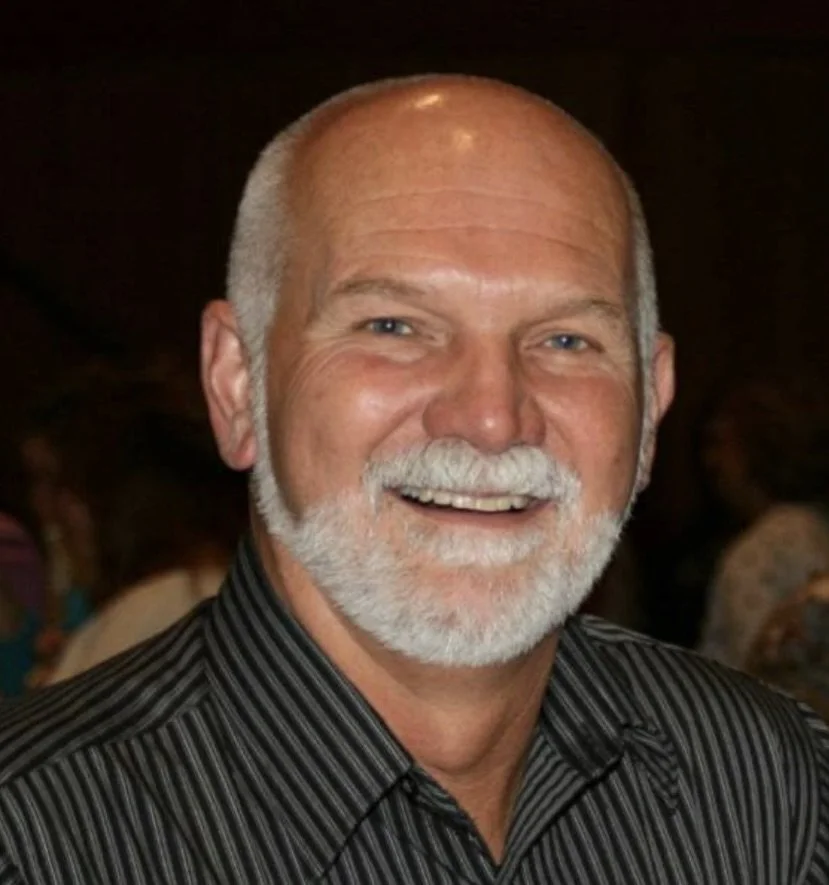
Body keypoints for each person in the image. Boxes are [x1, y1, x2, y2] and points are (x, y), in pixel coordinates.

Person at [0, 75, 826, 884]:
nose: (492, 416)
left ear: (650, 408)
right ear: (236, 383)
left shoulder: (774, 790)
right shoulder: (35, 835)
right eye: (393, 326)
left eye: (565, 340)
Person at [697, 377, 829, 668]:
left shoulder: (762, 552)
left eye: (720, 443)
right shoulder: (815, 527)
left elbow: (762, 680)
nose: (711, 461)